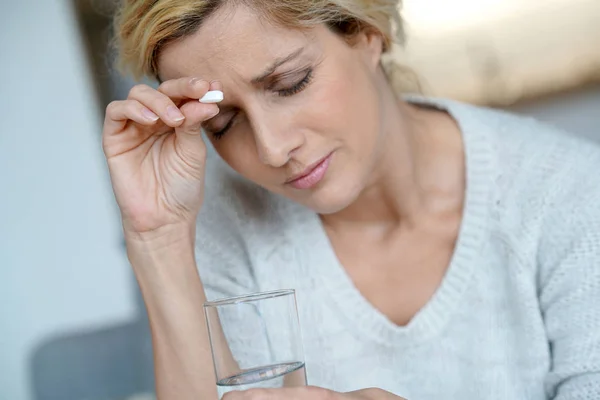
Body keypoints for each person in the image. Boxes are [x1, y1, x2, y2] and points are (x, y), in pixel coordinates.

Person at [103, 0, 600, 399]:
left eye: (290, 83)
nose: (273, 148)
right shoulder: (225, 223)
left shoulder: (570, 195)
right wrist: (158, 237)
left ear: (365, 32)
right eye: (223, 124)